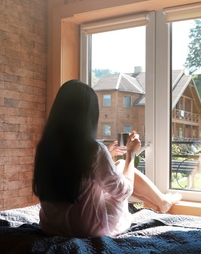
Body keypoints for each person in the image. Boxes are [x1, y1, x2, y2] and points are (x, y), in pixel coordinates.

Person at [33, 80, 181, 238]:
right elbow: (123, 192)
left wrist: (107, 157)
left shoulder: (45, 147)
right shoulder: (94, 150)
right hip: (88, 228)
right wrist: (131, 154)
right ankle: (162, 202)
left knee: (116, 167)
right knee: (123, 164)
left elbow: (74, 175)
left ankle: (157, 201)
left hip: (52, 226)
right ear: (90, 115)